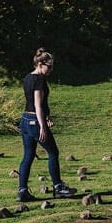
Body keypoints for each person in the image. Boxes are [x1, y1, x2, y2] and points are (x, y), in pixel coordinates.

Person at [17, 48, 73, 201]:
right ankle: (58, 187)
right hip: (35, 121)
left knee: (28, 156)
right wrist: (43, 126)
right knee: (53, 152)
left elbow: (30, 104)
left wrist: (46, 117)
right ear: (40, 64)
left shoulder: (28, 77)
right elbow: (37, 105)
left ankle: (22, 191)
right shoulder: (39, 80)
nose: (51, 69)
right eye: (49, 66)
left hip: (25, 120)